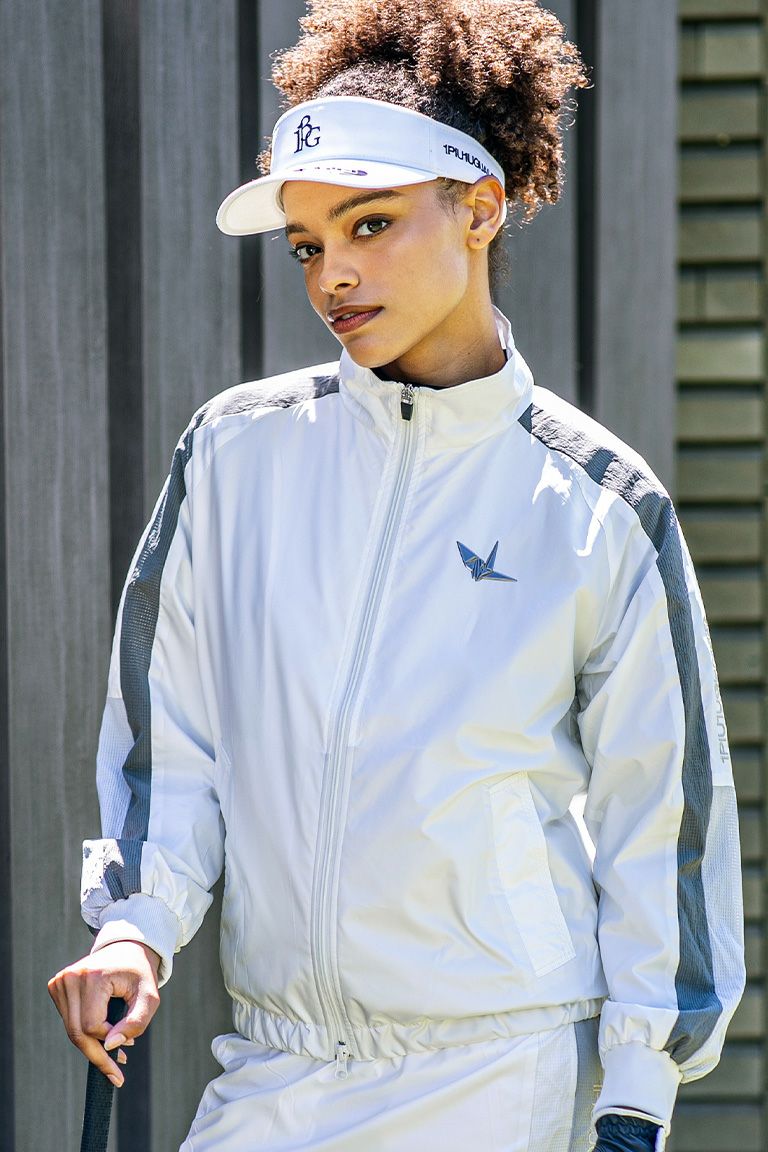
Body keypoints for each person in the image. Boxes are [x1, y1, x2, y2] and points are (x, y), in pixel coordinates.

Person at [48, 2, 745, 1149]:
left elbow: (656, 819)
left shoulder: (601, 507)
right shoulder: (231, 455)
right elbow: (173, 742)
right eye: (308, 244)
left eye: (370, 224)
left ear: (480, 209)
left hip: (506, 1076)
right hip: (273, 1069)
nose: (334, 275)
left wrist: (635, 1095)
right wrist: (136, 927)